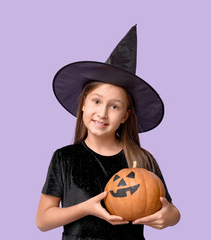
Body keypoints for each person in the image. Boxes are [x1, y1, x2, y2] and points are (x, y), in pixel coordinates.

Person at [36, 25, 180, 240]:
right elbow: (43, 221)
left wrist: (169, 217)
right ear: (83, 104)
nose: (102, 113)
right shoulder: (65, 158)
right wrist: (86, 208)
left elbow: (172, 212)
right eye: (96, 101)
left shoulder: (142, 159)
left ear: (125, 115)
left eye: (114, 106)